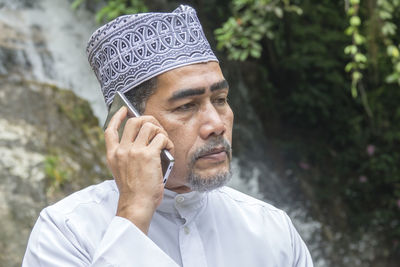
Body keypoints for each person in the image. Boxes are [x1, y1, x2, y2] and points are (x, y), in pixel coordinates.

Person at [22, 5, 313, 267]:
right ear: (129, 122)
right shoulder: (67, 232)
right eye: (187, 106)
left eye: (221, 99)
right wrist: (133, 214)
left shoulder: (272, 230)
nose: (215, 124)